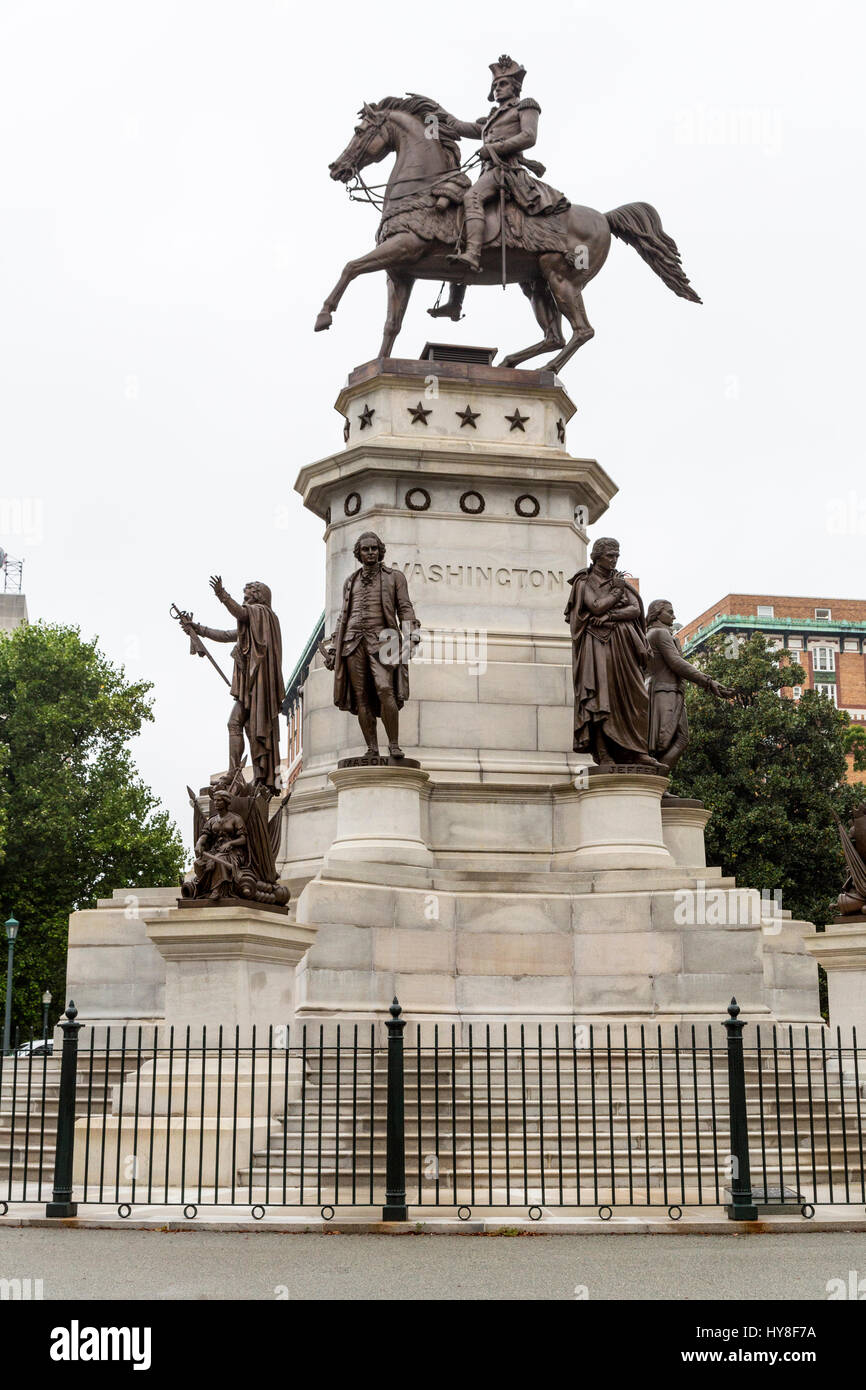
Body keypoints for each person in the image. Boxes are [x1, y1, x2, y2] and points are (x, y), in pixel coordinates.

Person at [438, 54, 568, 274]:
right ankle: (455, 298)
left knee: (472, 197)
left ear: (515, 87)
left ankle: (473, 254)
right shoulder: (491, 118)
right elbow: (460, 126)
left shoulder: (526, 106)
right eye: (495, 85)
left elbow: (529, 136)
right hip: (488, 172)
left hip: (507, 171)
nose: (498, 88)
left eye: (503, 84)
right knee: (456, 213)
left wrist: (493, 148)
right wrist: (435, 111)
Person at [322, 532, 420, 759]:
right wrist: (334, 648)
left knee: (386, 689)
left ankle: (394, 744)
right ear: (359, 553)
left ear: (380, 551)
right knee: (361, 696)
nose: (370, 553)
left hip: (383, 640)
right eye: (366, 549)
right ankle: (372, 748)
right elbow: (342, 617)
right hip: (352, 642)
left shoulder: (394, 577)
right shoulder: (350, 581)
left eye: (374, 548)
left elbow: (405, 607)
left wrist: (412, 636)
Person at [182, 577, 284, 793]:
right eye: (244, 598)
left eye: (247, 597)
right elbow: (227, 635)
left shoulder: (263, 615)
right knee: (238, 724)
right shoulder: (252, 627)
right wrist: (197, 629)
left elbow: (240, 612)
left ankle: (248, 775)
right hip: (250, 688)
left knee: (248, 726)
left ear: (259, 597)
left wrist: (222, 595)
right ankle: (236, 772)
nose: (244, 602)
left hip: (259, 687)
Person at [565, 537, 658, 767]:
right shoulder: (584, 581)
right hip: (597, 645)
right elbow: (594, 606)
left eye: (617, 555)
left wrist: (610, 615)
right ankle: (604, 752)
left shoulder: (619, 582)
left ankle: (635, 750)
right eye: (610, 555)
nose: (615, 559)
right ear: (597, 557)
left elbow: (635, 609)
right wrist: (615, 595)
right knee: (600, 697)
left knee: (636, 695)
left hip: (623, 646)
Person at [646, 599, 734, 771]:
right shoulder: (659, 633)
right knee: (670, 740)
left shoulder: (654, 634)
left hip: (667, 691)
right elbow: (676, 662)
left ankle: (657, 785)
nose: (674, 616)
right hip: (665, 691)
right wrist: (708, 681)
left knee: (674, 740)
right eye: (669, 612)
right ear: (657, 613)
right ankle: (656, 784)